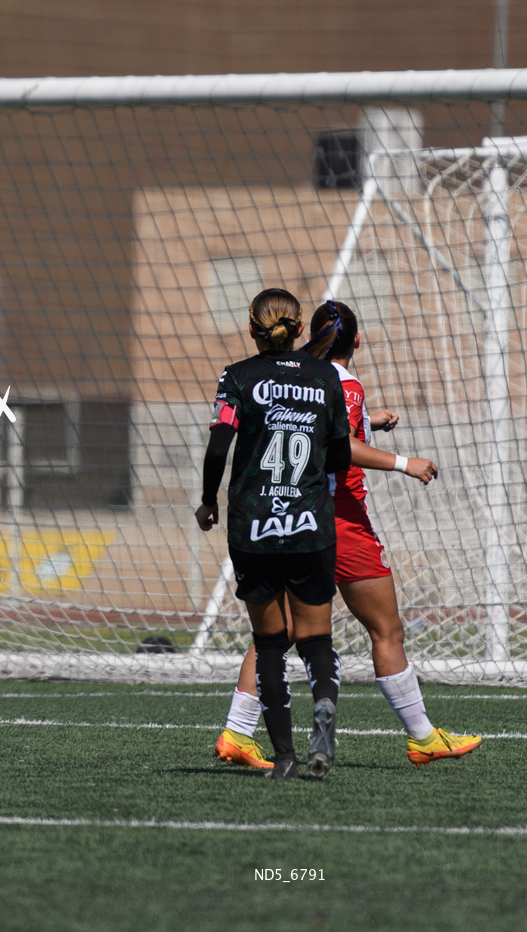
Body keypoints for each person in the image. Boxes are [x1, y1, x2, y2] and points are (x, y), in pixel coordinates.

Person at [212, 300, 480, 770]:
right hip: (339, 520)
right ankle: (422, 736)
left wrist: (369, 421)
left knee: (278, 633)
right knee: (386, 628)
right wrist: (403, 462)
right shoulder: (342, 382)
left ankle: (237, 731)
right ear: (356, 340)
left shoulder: (293, 375)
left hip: (285, 516)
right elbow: (343, 449)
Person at [196, 288, 351, 780]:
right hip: (310, 525)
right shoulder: (326, 376)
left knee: (269, 643)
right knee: (316, 636)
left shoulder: (237, 377)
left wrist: (207, 501)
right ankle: (323, 706)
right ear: (300, 329)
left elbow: (219, 447)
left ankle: (283, 756)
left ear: (251, 330)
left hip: (254, 527)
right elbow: (342, 458)